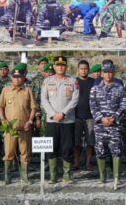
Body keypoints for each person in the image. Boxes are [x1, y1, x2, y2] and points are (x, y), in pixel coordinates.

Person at [41, 56, 79, 184]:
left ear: (66, 67)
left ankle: (66, 175)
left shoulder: (73, 81)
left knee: (67, 148)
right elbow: (44, 99)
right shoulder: (47, 81)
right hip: (52, 121)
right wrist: (52, 114)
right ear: (54, 66)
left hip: (67, 120)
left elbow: (75, 100)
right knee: (51, 147)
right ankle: (53, 176)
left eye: (63, 65)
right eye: (58, 65)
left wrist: (62, 113)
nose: (60, 67)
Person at [90, 60, 126, 186]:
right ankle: (102, 176)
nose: (108, 74)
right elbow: (93, 106)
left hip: (114, 124)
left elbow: (123, 105)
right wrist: (101, 118)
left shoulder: (120, 88)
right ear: (102, 73)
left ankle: (116, 176)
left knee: (116, 150)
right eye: (105, 72)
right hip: (100, 124)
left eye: (110, 72)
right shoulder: (95, 88)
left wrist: (114, 117)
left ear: (113, 73)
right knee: (100, 150)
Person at [0, 66, 37, 185]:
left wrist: (30, 121)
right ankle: (7, 177)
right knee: (9, 153)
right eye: (15, 77)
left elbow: (33, 108)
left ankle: (24, 177)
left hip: (24, 128)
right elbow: (0, 107)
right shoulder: (6, 90)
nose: (17, 80)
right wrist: (3, 120)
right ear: (11, 78)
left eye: (20, 77)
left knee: (25, 153)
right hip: (10, 129)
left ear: (23, 78)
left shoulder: (28, 90)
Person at [73, 60, 95, 171]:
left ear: (88, 69)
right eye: (81, 68)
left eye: (85, 68)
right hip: (76, 116)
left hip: (90, 117)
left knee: (90, 142)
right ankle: (76, 164)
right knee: (76, 143)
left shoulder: (93, 82)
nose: (83, 70)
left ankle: (88, 164)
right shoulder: (74, 82)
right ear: (78, 70)